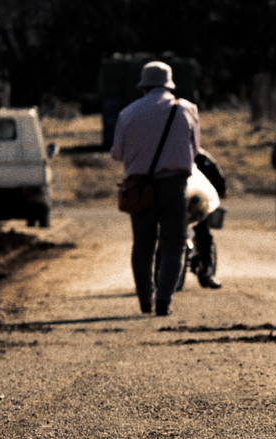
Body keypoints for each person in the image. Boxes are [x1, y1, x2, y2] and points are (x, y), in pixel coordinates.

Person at [110, 61, 201, 316]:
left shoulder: (127, 113)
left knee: (143, 245)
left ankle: (144, 300)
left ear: (144, 86)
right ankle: (164, 300)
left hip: (140, 187)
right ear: (169, 85)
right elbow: (194, 150)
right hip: (175, 185)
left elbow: (117, 154)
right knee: (174, 245)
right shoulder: (187, 110)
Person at [186, 148, 226, 289]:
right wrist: (220, 192)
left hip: (177, 201)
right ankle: (207, 271)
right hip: (196, 204)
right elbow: (219, 179)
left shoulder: (169, 154)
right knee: (203, 233)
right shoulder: (202, 157)